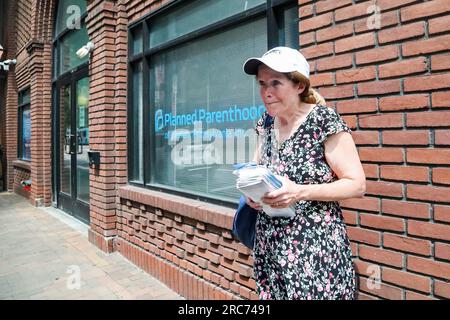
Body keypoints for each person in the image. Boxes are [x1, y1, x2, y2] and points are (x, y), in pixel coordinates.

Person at [242, 47, 366, 300]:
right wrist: (253, 194)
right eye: (262, 83)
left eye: (276, 82)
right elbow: (256, 169)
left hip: (315, 248)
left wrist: (300, 192)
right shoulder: (265, 123)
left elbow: (357, 184)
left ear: (299, 85)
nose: (266, 92)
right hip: (270, 244)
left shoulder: (323, 120)